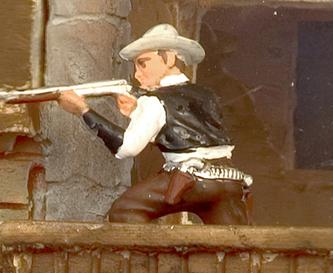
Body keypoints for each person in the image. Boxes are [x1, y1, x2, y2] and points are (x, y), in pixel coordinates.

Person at [51, 23, 252, 225]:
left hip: (189, 180)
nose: (137, 74)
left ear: (169, 58)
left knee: (125, 211)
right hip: (229, 182)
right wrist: (136, 113)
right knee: (230, 238)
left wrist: (83, 110)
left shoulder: (154, 101)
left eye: (143, 64)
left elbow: (126, 148)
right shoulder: (207, 95)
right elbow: (187, 132)